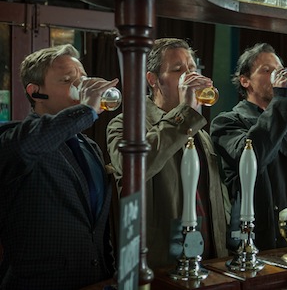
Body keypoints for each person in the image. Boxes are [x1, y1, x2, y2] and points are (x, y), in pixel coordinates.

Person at [0, 44, 116, 290]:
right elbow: (29, 144)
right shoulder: (15, 138)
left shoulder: (90, 146)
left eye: (83, 78)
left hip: (96, 280)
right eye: (68, 80)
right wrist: (87, 109)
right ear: (35, 92)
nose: (82, 87)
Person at [107, 38, 228, 268]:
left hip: (210, 257)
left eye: (192, 69)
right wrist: (185, 113)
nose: (189, 77)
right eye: (178, 70)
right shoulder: (126, 124)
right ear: (153, 80)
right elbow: (133, 168)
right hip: (160, 261)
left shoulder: (199, 131)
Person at [210, 42, 287, 252]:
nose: (277, 76)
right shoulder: (228, 122)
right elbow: (251, 157)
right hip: (258, 242)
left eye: (278, 71)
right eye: (267, 71)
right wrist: (281, 101)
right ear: (245, 80)